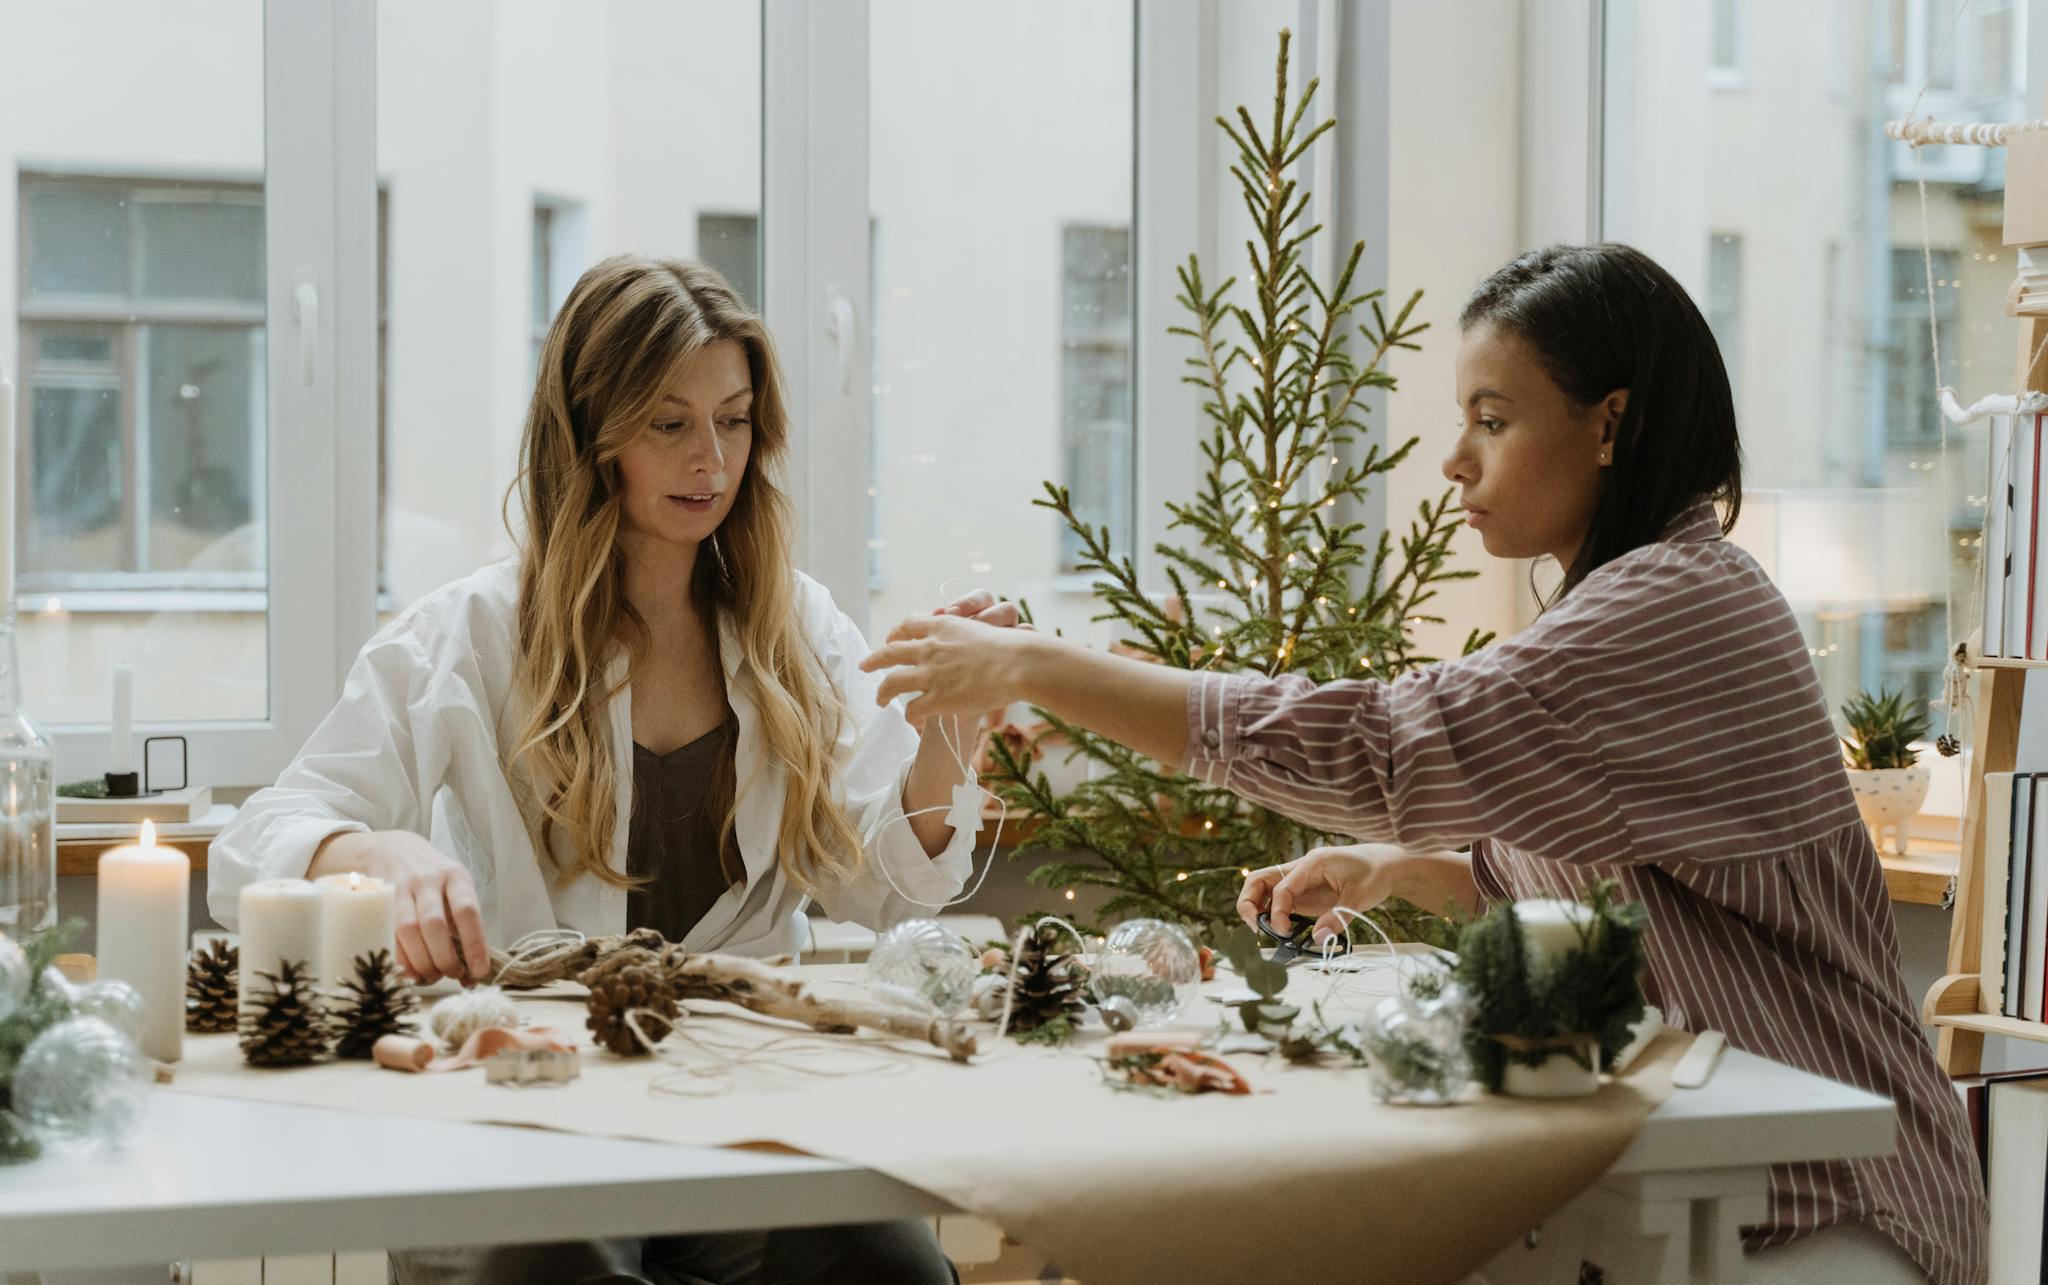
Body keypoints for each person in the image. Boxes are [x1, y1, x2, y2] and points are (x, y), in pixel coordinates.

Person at [860, 243, 1985, 1285]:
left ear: (1609, 424)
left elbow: (1375, 743)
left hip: (1835, 1198)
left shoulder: (1675, 603)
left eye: (1490, 420)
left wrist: (1038, 666)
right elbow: (1621, 883)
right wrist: (1399, 869)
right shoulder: (1629, 597)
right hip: (1700, 1177)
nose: (1453, 460)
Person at [210, 256, 1003, 1285]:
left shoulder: (797, 626)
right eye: (668, 422)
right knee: (567, 1266)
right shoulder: (472, 633)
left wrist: (953, 739)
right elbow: (256, 837)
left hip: (738, 1103)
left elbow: (878, 883)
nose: (709, 458)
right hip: (534, 1111)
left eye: (733, 418)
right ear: (591, 434)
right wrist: (368, 846)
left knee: (894, 1268)